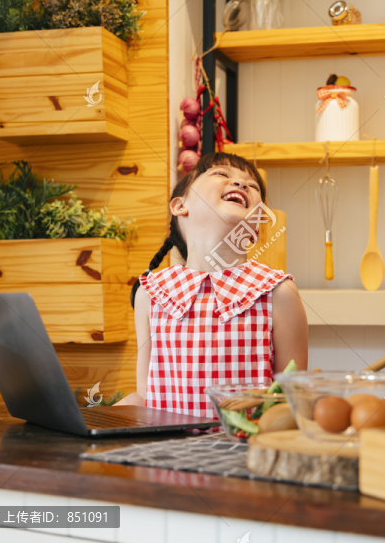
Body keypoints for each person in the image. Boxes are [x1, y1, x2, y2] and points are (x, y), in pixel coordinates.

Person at [115, 152, 308, 417]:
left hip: (241, 454)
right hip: (165, 454)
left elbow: (290, 398)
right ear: (180, 206)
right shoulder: (150, 293)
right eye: (222, 174)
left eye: (252, 186)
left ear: (256, 226)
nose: (241, 184)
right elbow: (146, 393)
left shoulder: (278, 292)